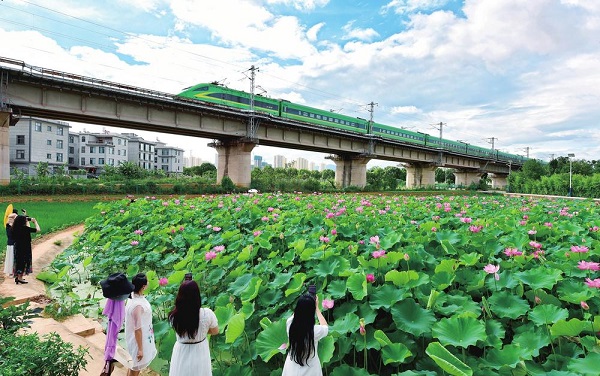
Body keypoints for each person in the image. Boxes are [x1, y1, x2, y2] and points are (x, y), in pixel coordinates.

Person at [168, 280, 219, 376]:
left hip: (181, 351)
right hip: (200, 350)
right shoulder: (207, 313)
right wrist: (202, 331)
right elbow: (215, 331)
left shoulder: (173, 316)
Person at [282, 294, 329, 376]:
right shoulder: (315, 331)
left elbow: (297, 315)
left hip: (292, 369)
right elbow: (325, 327)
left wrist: (304, 302)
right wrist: (317, 308)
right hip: (311, 370)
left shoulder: (289, 324)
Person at [124, 273, 157, 376]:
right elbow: (137, 328)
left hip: (143, 337)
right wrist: (140, 349)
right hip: (138, 341)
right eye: (147, 282)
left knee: (133, 366)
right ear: (143, 286)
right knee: (135, 369)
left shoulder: (133, 296)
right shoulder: (137, 305)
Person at [12, 211, 40, 284]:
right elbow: (38, 230)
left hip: (17, 246)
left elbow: (27, 227)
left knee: (18, 261)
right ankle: (20, 278)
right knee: (23, 261)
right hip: (25, 246)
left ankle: (18, 277)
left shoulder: (14, 228)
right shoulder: (24, 228)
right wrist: (35, 222)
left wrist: (25, 218)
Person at [3, 211, 17, 277]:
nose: (11, 220)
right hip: (11, 244)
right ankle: (11, 272)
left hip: (15, 243)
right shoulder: (8, 226)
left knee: (15, 258)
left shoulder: (14, 226)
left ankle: (14, 271)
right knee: (11, 258)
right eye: (10, 219)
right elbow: (11, 235)